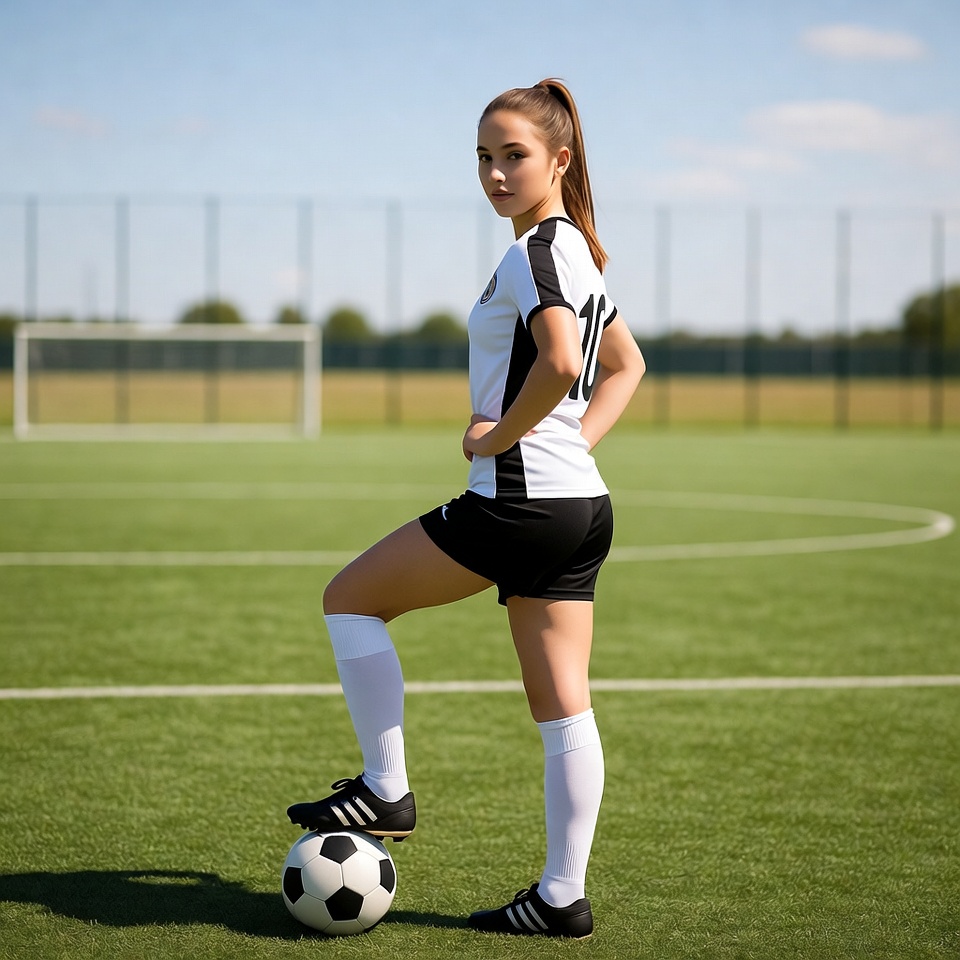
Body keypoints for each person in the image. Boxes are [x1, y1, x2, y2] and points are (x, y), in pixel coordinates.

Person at [287, 78, 645, 939]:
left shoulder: (539, 255)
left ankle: (385, 789)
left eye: (513, 155)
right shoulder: (576, 252)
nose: (494, 172)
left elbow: (563, 363)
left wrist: (496, 440)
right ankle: (562, 899)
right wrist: (571, 446)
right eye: (483, 157)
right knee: (564, 706)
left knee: (350, 599)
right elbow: (626, 367)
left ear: (560, 159)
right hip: (577, 507)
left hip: (520, 504)